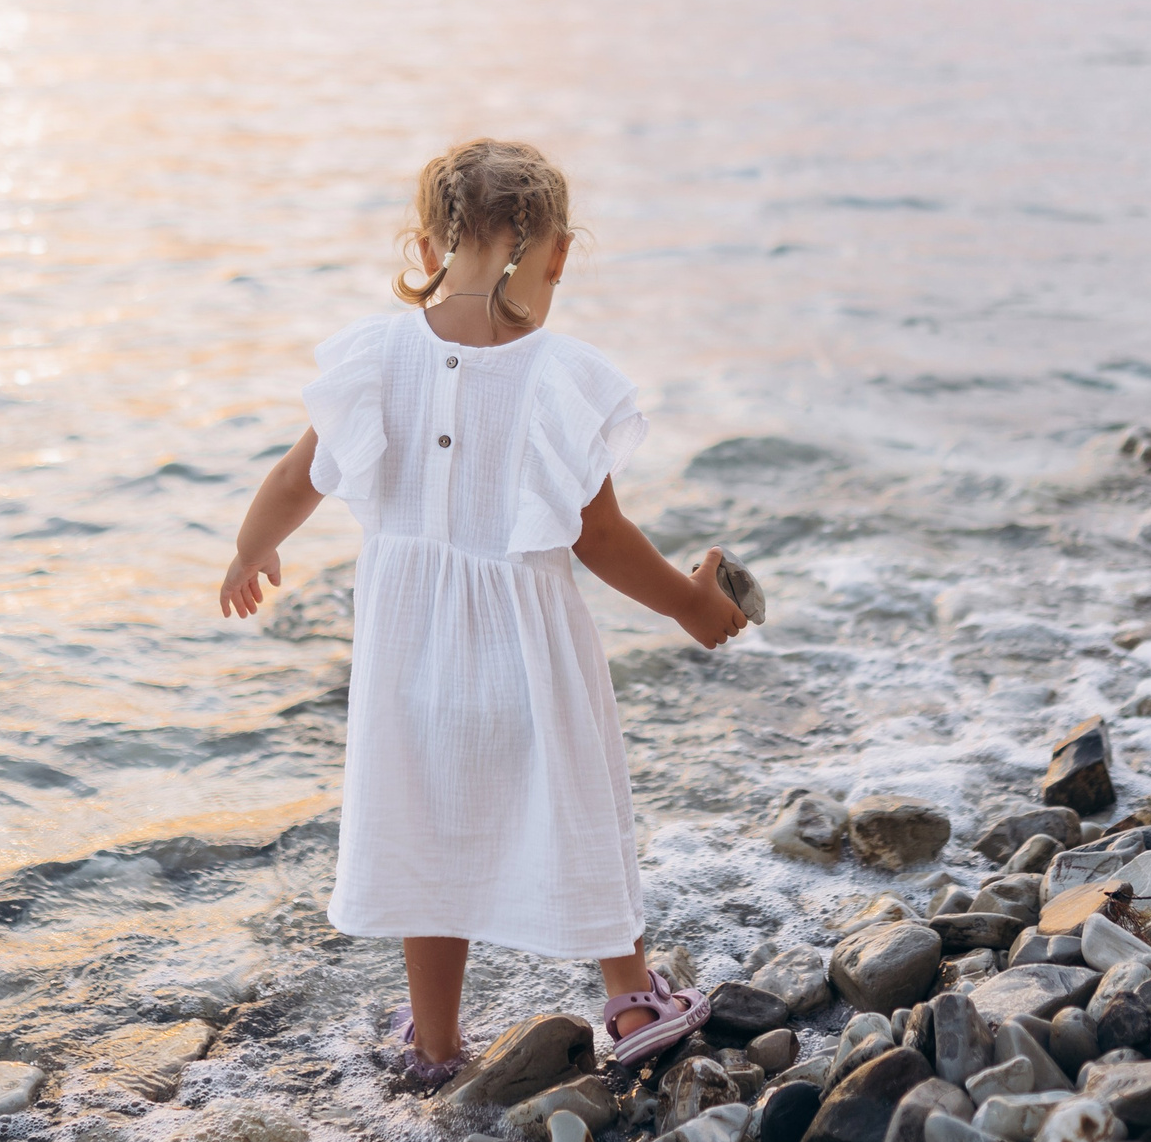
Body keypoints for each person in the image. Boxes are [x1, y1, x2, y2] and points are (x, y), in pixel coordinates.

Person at [218, 138, 752, 1087]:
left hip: (407, 656)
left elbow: (300, 476)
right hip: (530, 652)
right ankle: (631, 999)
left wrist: (252, 549)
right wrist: (690, 607)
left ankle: (434, 1041)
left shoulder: (376, 355)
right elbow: (598, 535)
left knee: (426, 822)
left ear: (426, 244)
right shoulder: (559, 375)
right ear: (556, 255)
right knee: (583, 803)